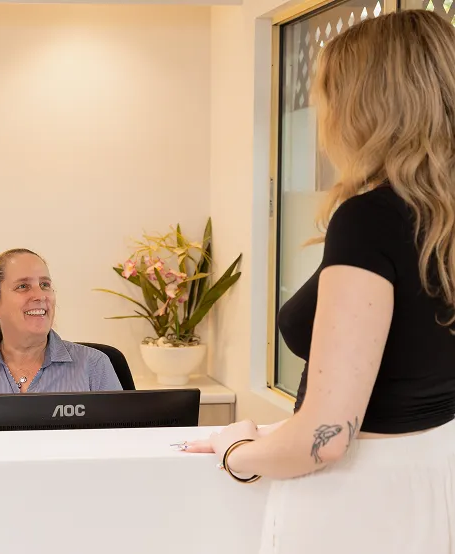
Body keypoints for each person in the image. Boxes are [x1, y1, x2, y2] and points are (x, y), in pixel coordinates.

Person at [180, 10, 455, 553]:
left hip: (359, 507)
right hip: (430, 481)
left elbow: (325, 441)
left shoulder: (371, 218)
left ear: (363, 106)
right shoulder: (437, 220)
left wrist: (238, 449)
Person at [0, 248, 123, 395]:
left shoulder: (94, 366)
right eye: (23, 286)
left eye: (45, 285)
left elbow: (121, 444)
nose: (40, 295)